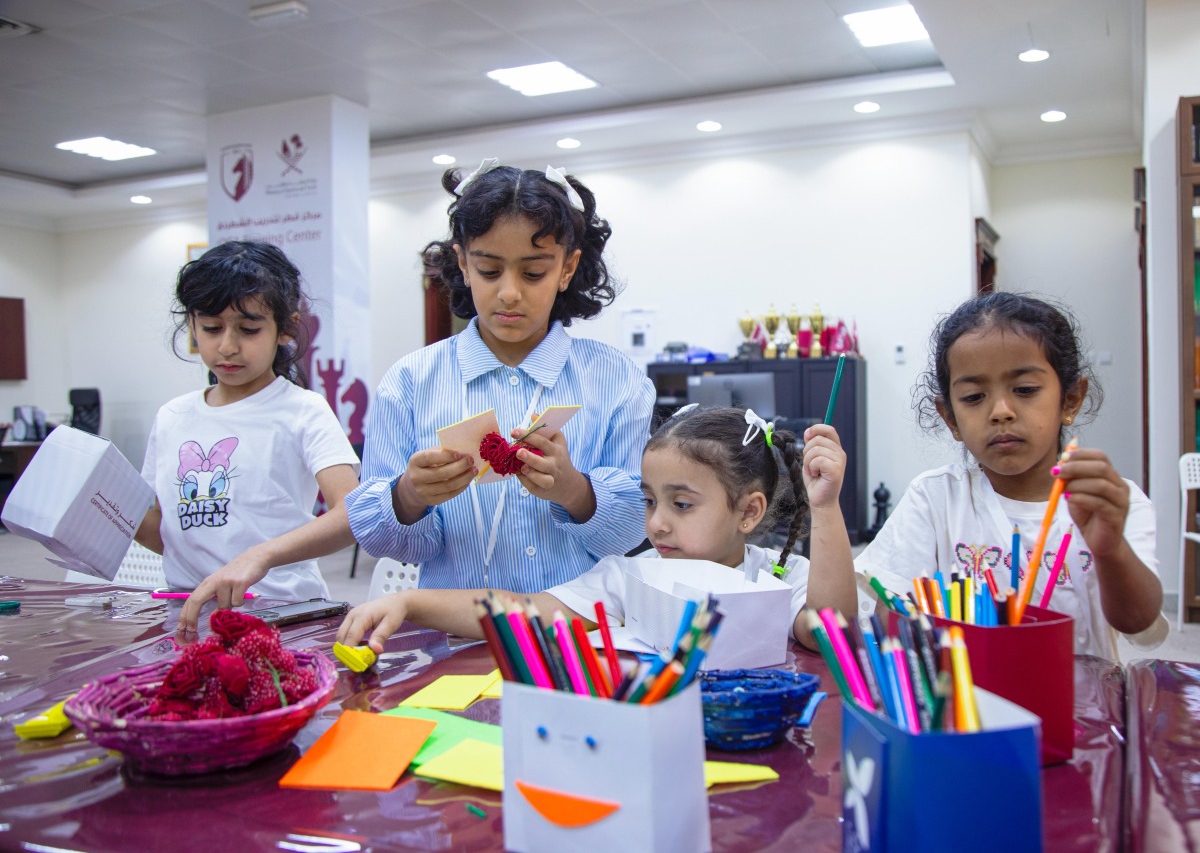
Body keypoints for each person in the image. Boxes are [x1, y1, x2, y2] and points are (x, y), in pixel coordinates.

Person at [345, 160, 654, 592]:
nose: (509, 292)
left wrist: (575, 492)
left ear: (567, 268)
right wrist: (409, 496)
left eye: (533, 273)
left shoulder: (617, 380)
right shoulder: (410, 383)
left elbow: (634, 531)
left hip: (576, 634)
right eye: (490, 270)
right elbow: (379, 538)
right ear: (464, 264)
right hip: (453, 634)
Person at [337, 405, 857, 654]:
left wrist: (827, 507)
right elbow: (523, 612)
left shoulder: (778, 581)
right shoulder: (629, 578)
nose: (656, 523)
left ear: (748, 512)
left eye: (681, 503)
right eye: (650, 501)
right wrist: (412, 604)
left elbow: (834, 631)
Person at [855, 292, 1165, 660]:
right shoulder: (935, 498)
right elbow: (891, 619)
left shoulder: (1112, 502)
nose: (1001, 411)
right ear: (950, 417)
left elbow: (1140, 626)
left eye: (1025, 390)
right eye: (973, 397)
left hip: (1079, 711)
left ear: (1070, 399)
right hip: (970, 709)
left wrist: (1111, 548)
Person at [135, 241, 361, 632]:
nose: (227, 345)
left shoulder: (302, 410)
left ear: (284, 329)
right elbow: (165, 531)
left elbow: (351, 515)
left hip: (285, 614)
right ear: (192, 325)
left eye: (248, 329)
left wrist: (260, 557)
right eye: (211, 328)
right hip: (190, 616)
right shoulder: (172, 416)